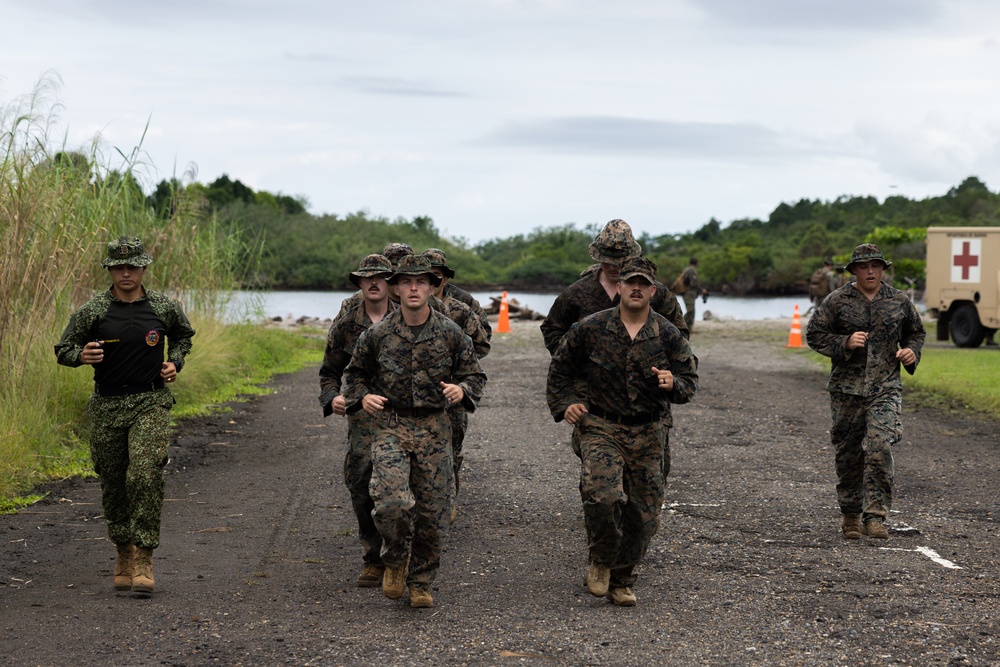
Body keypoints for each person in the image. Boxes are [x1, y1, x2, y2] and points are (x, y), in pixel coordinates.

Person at [547, 257, 698, 606]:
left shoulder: (668, 333)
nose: (635, 288)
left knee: (644, 514)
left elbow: (690, 382)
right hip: (601, 426)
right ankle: (601, 560)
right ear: (619, 287)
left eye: (643, 283)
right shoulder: (591, 327)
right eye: (629, 282)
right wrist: (566, 402)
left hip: (648, 430)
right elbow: (561, 368)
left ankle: (622, 577)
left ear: (653, 290)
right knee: (603, 495)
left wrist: (674, 383)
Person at [54, 236, 196, 595]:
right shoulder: (93, 311)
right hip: (107, 405)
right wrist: (80, 355)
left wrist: (174, 362)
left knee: (145, 473)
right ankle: (123, 552)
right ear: (110, 270)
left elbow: (183, 337)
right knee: (114, 480)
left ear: (144, 267)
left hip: (150, 401)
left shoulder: (164, 307)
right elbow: (63, 348)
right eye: (119, 267)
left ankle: (144, 557)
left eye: (133, 266)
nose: (126, 272)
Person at [343, 255, 487, 608]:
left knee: (434, 513)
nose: (413, 288)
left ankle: (420, 580)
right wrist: (363, 396)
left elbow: (475, 376)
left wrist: (462, 390)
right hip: (390, 425)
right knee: (391, 502)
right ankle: (394, 559)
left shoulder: (451, 333)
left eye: (421, 282)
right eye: (406, 282)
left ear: (431, 287)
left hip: (434, 427)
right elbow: (354, 374)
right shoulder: (376, 335)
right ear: (396, 287)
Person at [541, 219, 688, 483]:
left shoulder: (655, 293)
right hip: (595, 395)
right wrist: (576, 361)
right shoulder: (579, 292)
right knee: (599, 467)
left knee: (653, 472)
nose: (611, 266)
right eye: (605, 260)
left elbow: (680, 337)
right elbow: (552, 329)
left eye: (617, 261)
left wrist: (663, 370)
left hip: (646, 394)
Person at [806, 244, 926, 540]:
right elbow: (814, 334)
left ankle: (875, 516)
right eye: (863, 266)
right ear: (854, 270)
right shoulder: (837, 300)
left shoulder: (899, 301)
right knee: (848, 454)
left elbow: (916, 332)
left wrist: (911, 351)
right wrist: (844, 342)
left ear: (883, 268)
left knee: (879, 447)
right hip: (847, 390)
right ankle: (850, 515)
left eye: (875, 265)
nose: (870, 271)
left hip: (885, 388)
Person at [318, 254, 396, 588]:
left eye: (381, 277)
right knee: (362, 487)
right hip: (362, 417)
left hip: (404, 415)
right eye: (368, 278)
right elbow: (328, 372)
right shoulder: (348, 324)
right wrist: (331, 396)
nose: (374, 282)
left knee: (399, 491)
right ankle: (373, 558)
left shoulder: (411, 315)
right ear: (360, 283)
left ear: (390, 282)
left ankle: (398, 560)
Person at [422, 248, 490, 516]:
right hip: (418, 391)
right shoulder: (405, 304)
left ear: (445, 278)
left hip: (453, 391)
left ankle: (448, 498)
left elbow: (483, 341)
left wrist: (457, 363)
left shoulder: (461, 306)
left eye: (435, 277)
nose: (430, 284)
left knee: (452, 447)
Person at [678, 257, 708, 331]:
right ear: (696, 264)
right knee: (690, 310)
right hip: (689, 293)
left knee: (692, 311)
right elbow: (693, 284)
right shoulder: (692, 271)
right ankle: (680, 326)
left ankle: (688, 328)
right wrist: (702, 290)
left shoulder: (686, 270)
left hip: (687, 293)